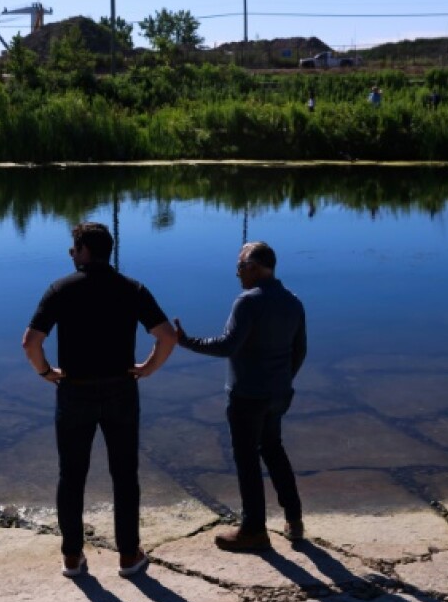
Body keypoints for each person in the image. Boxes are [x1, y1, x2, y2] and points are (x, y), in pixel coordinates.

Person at [22, 222, 178, 578]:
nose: (71, 255)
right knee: (124, 474)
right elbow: (166, 336)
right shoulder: (131, 289)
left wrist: (45, 372)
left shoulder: (61, 289)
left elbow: (30, 342)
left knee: (71, 475)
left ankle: (72, 557)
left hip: (74, 389)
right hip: (121, 389)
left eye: (73, 249)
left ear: (83, 251)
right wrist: (148, 369)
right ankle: (127, 556)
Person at [175, 241, 306, 552]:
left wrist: (186, 341)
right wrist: (282, 380)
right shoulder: (293, 302)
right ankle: (294, 520)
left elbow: (227, 346)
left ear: (255, 268)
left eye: (240, 268)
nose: (237, 275)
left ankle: (253, 529)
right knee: (274, 450)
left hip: (248, 395)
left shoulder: (247, 302)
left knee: (247, 460)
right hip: (279, 393)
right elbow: (300, 350)